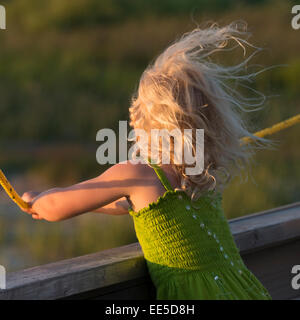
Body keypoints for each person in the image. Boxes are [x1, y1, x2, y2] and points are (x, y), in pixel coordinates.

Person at [21, 22, 272, 300]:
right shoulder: (199, 176)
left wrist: (40, 200)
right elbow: (131, 205)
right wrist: (93, 207)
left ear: (143, 120)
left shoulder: (136, 174)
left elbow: (57, 207)